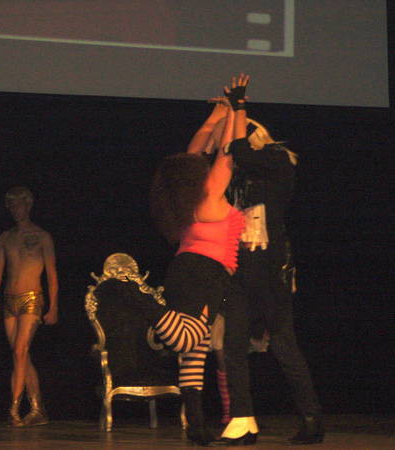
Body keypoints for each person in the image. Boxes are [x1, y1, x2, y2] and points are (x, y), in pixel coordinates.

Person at [147, 74, 253, 445]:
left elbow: (195, 151)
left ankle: (196, 425)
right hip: (205, 273)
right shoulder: (209, 192)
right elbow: (231, 150)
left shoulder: (186, 198)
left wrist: (217, 114)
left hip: (184, 269)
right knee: (191, 340)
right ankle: (140, 304)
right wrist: (238, 107)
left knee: (194, 353)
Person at [224, 120, 325, 444]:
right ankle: (243, 421)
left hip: (270, 271)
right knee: (233, 345)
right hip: (242, 269)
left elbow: (240, 151)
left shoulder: (277, 160)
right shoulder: (240, 174)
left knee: (283, 344)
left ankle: (311, 418)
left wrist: (237, 113)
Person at [0, 186, 58, 427]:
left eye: (19, 205)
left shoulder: (42, 236)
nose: (16, 210)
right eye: (12, 205)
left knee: (19, 352)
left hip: (32, 298)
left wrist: (53, 307)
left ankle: (13, 409)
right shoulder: (5, 237)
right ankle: (37, 408)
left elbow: (52, 274)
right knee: (22, 355)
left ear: (28, 205)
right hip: (9, 300)